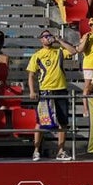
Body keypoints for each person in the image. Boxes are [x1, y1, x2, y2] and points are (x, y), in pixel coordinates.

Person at [26, 29, 77, 161]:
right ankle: (36, 150)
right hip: (46, 90)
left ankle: (60, 151)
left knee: (63, 121)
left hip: (61, 89)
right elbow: (31, 75)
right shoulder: (37, 55)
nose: (47, 38)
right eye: (44, 36)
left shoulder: (59, 51)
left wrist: (59, 40)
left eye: (49, 36)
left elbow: (73, 51)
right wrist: (32, 91)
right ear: (40, 40)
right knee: (41, 121)